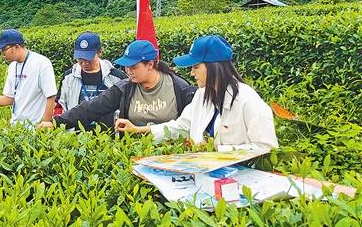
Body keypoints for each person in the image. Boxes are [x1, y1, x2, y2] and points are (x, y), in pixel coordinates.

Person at [116, 35, 278, 150]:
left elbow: (267, 147)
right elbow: (181, 127)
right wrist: (137, 130)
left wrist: (217, 150)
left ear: (214, 66)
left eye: (196, 67)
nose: (192, 73)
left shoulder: (247, 100)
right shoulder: (202, 96)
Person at [42, 39, 196, 132]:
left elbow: (189, 125)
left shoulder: (178, 87)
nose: (128, 71)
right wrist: (56, 122)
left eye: (133, 67)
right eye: (126, 67)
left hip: (170, 153)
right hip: (134, 152)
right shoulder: (125, 88)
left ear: (150, 65)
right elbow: (91, 108)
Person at [0, 29, 57, 126]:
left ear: (16, 47)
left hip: (35, 126)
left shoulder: (41, 63)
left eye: (4, 50)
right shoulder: (12, 66)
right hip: (16, 126)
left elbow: (51, 96)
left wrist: (46, 123)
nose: (2, 54)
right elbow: (9, 98)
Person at [57, 31, 126, 113]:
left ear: (99, 52)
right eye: (80, 59)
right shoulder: (68, 77)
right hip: (77, 124)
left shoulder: (117, 77)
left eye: (88, 58)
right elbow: (59, 105)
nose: (84, 63)